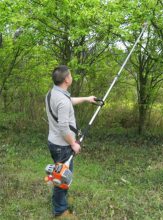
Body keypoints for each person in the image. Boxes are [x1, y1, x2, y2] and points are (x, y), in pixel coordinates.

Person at [45, 65, 97, 218]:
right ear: (66, 79)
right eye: (71, 75)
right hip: (62, 146)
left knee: (60, 174)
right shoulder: (62, 100)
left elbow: (68, 101)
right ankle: (60, 210)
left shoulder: (52, 93)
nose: (72, 77)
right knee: (62, 177)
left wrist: (87, 99)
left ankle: (61, 200)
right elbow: (63, 127)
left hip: (54, 142)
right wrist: (73, 144)